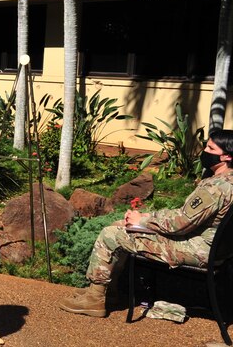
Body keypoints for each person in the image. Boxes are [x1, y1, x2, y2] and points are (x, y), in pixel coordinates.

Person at [58, 130, 233, 318]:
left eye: (211, 148)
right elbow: (187, 216)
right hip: (212, 247)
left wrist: (142, 220)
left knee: (112, 234)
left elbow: (180, 223)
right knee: (120, 225)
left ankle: (95, 299)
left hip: (196, 249)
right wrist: (149, 216)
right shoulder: (227, 181)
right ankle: (106, 290)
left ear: (227, 156)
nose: (205, 151)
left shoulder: (215, 187)